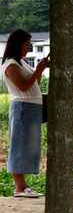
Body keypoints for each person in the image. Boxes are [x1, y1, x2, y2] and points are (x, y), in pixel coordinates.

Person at [1, 29, 49, 198]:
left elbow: (34, 83)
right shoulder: (11, 65)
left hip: (31, 107)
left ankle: (23, 187)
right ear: (18, 44)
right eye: (27, 43)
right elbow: (23, 86)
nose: (29, 46)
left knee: (28, 146)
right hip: (23, 107)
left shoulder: (21, 62)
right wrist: (38, 70)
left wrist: (39, 70)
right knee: (19, 146)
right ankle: (19, 188)